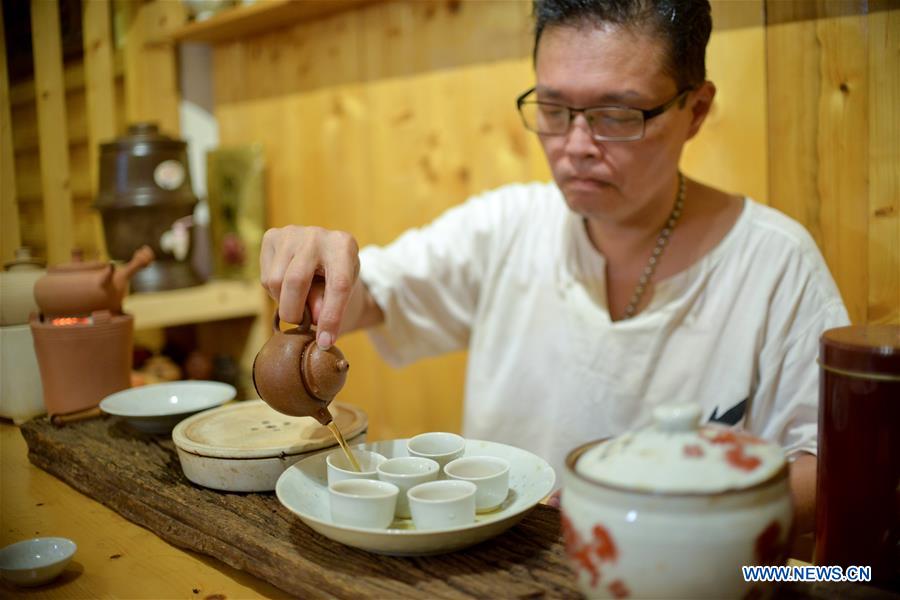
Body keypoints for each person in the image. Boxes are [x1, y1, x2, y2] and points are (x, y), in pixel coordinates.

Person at [259, 0, 848, 535]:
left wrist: (654, 512)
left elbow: (829, 475)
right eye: (553, 107)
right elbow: (376, 295)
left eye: (617, 114)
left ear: (696, 110)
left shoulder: (773, 263)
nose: (577, 144)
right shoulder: (509, 227)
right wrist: (320, 275)